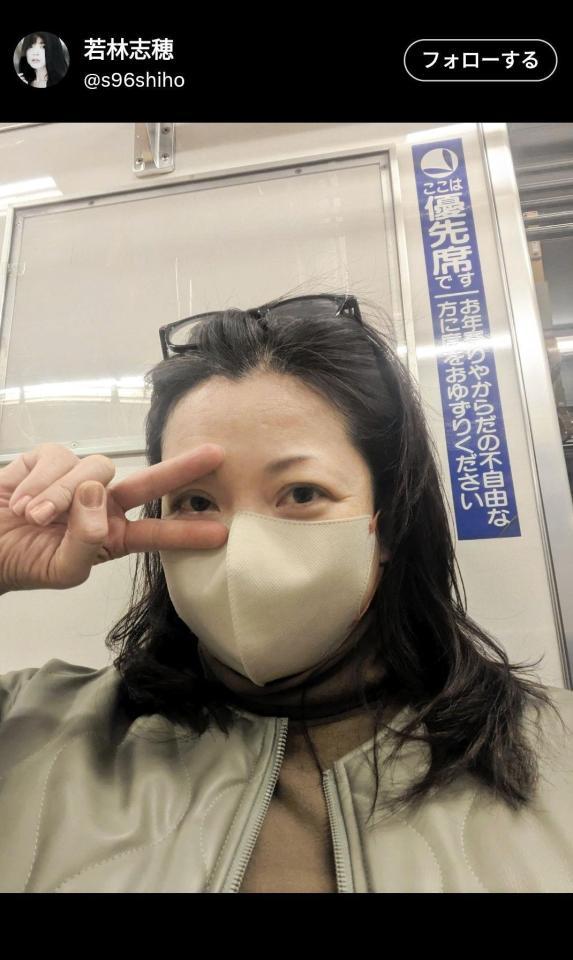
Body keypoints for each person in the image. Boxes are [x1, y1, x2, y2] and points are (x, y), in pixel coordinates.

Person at [0, 293, 572, 894]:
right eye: (197, 501)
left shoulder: (553, 756)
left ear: (388, 522)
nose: (243, 556)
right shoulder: (30, 730)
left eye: (301, 493)